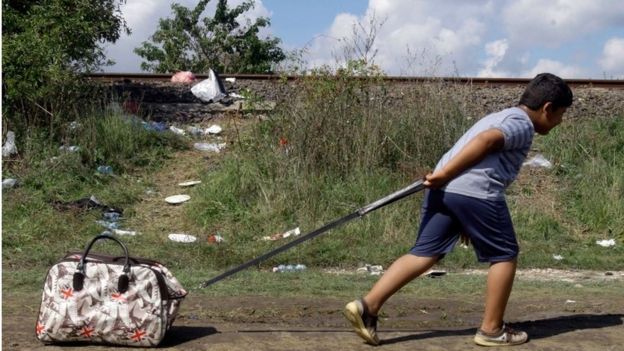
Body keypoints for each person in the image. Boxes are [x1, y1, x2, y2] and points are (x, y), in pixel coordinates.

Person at [344, 73, 573, 347]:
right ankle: (491, 330)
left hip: (447, 191)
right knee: (505, 254)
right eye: (560, 114)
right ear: (547, 108)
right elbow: (487, 141)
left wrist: (448, 187)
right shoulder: (522, 124)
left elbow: (480, 147)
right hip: (474, 191)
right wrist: (446, 177)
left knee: (425, 253)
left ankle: (367, 306)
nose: (560, 122)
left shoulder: (498, 115)